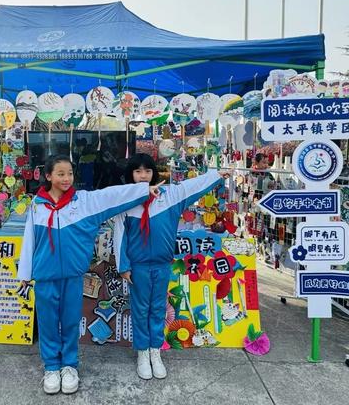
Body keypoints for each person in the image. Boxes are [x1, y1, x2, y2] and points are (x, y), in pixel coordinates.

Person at [17, 154, 163, 395]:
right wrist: (25, 273)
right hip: (45, 276)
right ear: (49, 176)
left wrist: (145, 190)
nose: (66, 178)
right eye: (61, 174)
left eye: (70, 174)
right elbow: (29, 240)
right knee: (48, 323)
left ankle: (70, 366)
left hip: (73, 276)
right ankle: (52, 367)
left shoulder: (82, 202)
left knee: (71, 321)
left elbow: (112, 195)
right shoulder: (37, 205)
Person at [113, 153, 228, 380]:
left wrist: (215, 175)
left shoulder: (170, 196)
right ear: (130, 175)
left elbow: (191, 186)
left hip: (162, 265)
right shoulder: (125, 202)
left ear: (154, 172)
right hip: (138, 267)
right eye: (137, 171)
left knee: (158, 309)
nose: (143, 176)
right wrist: (123, 266)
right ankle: (142, 353)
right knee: (140, 309)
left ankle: (156, 351)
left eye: (147, 171)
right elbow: (119, 235)